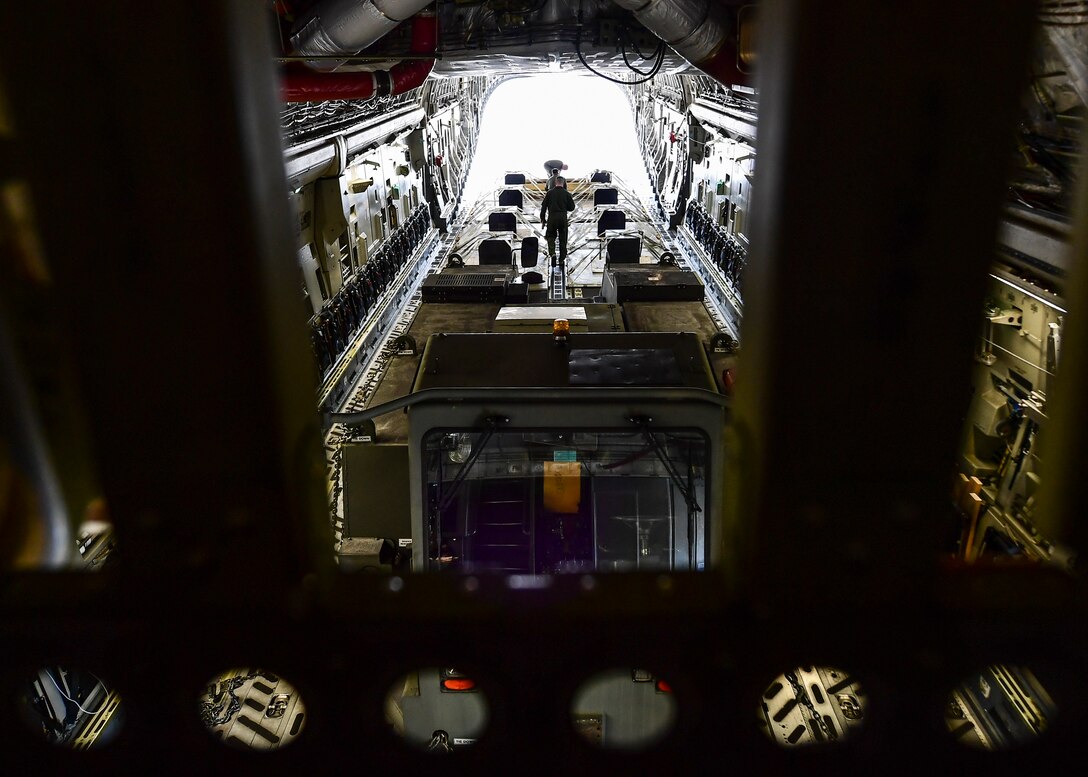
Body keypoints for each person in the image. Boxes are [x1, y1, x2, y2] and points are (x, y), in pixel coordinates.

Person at [540, 178, 575, 266]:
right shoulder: (567, 194)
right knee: (563, 238)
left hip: (552, 217)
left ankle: (552, 254)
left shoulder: (549, 193)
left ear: (555, 183)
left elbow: (543, 207)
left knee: (550, 236)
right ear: (564, 184)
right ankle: (561, 259)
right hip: (563, 217)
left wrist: (543, 219)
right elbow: (572, 208)